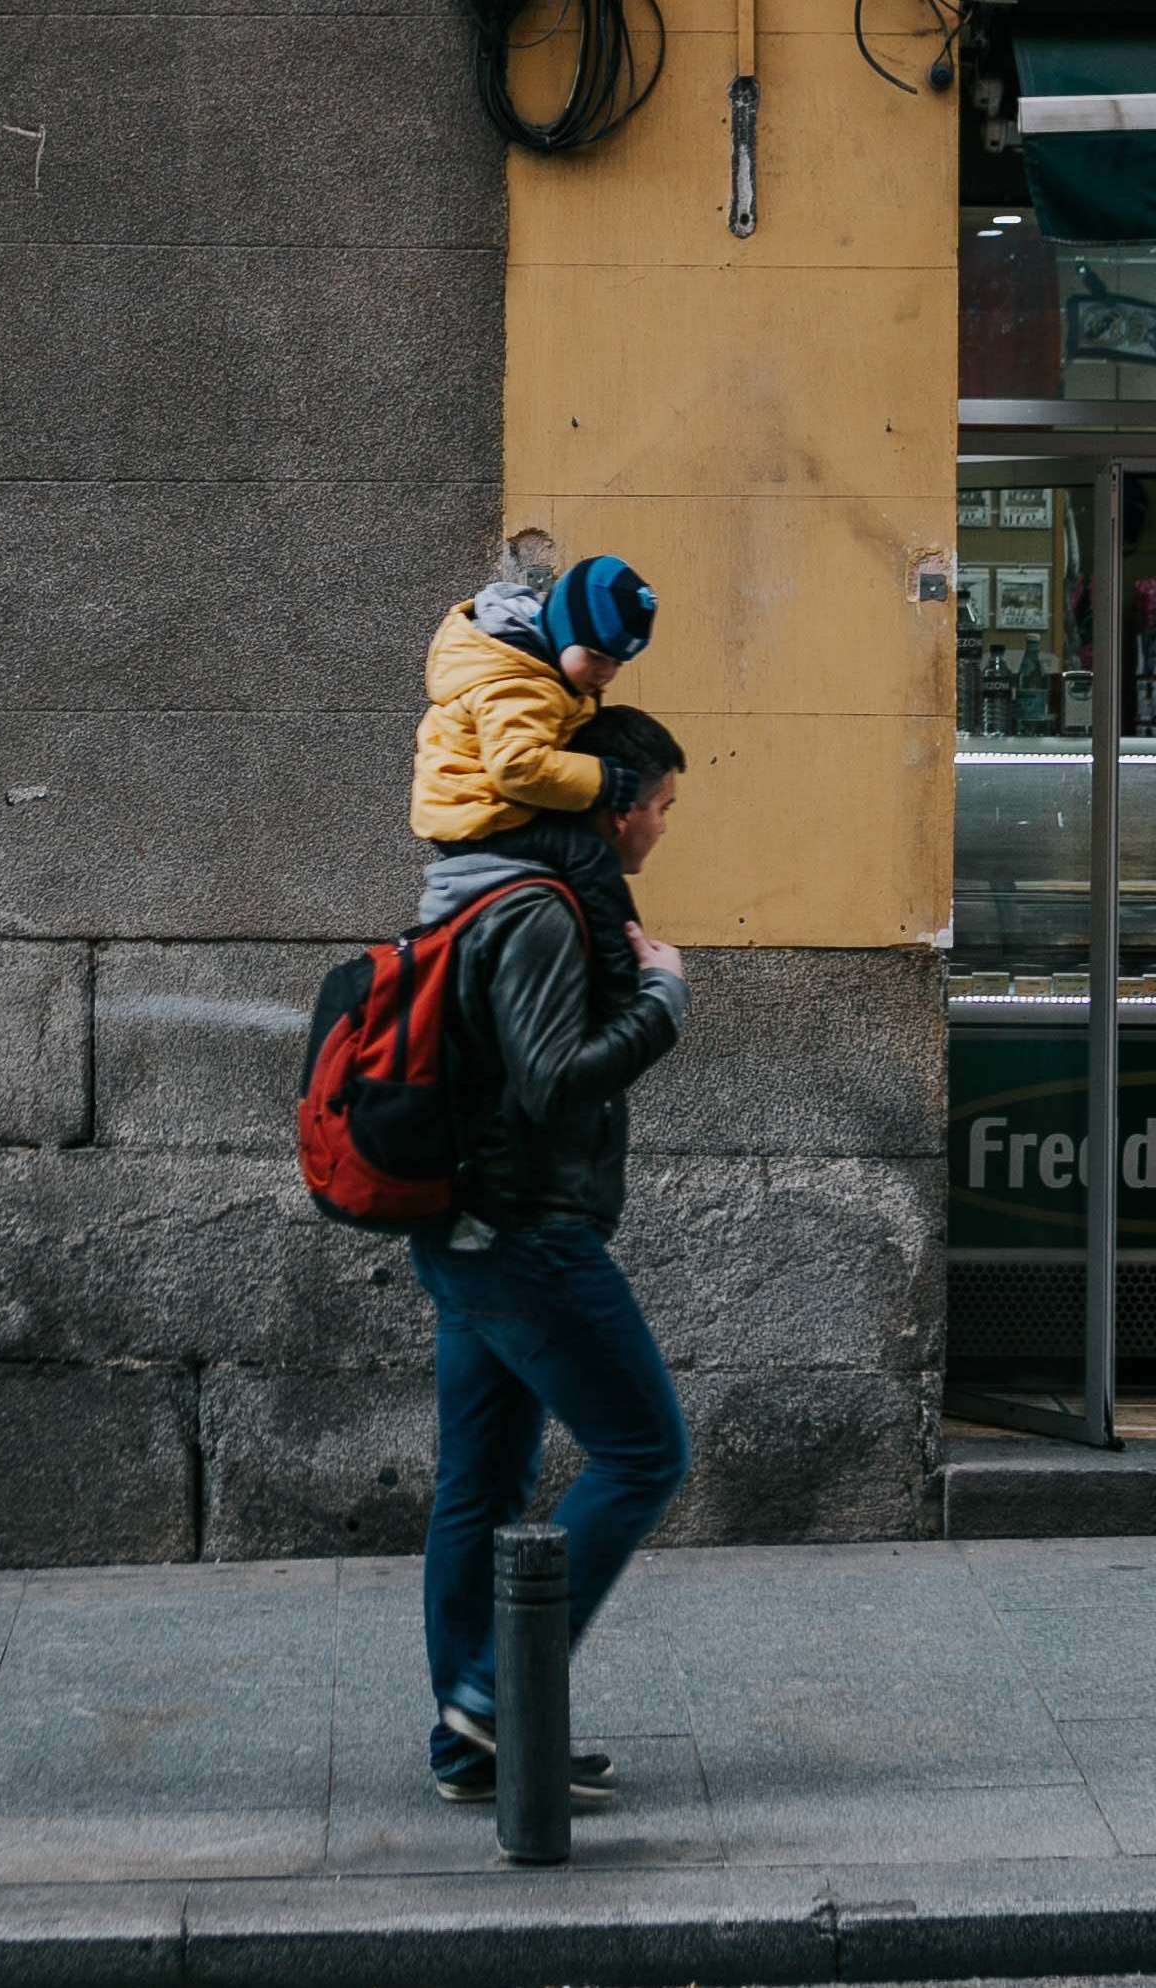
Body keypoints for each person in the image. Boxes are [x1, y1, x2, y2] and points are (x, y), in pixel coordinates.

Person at [409, 702, 693, 1806]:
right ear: (613, 804)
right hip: (521, 1233)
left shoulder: (495, 882)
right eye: (663, 805)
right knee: (643, 1451)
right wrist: (664, 1001)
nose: (666, 827)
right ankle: (489, 1699)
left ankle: (476, 1734)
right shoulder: (537, 908)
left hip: (473, 1230)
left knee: (480, 1486)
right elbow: (552, 1077)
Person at [410, 555, 659, 1010]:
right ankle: (624, 982)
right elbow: (518, 767)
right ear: (564, 627)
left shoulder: (540, 665)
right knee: (588, 856)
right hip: (476, 815)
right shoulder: (522, 682)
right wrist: (602, 779)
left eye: (618, 663)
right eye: (597, 656)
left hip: (483, 804)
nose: (605, 673)